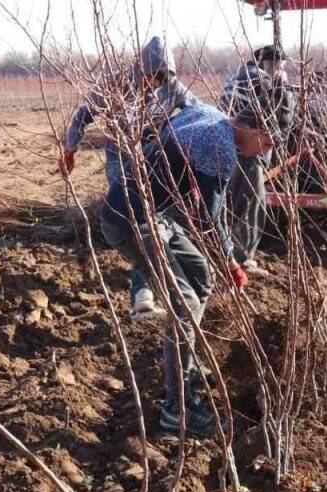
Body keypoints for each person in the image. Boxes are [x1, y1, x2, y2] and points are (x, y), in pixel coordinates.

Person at [99, 101, 277, 436]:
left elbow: (169, 140)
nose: (264, 154)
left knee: (200, 277)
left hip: (157, 215)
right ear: (252, 129)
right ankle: (176, 409)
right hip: (132, 222)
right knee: (187, 304)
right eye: (266, 144)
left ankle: (188, 364)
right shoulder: (221, 147)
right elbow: (212, 220)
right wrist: (231, 262)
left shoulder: (209, 115)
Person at [59, 36, 199, 322]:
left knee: (151, 223)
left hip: (152, 160)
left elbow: (196, 110)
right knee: (137, 222)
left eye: (162, 76)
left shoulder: (171, 87)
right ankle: (144, 297)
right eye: (152, 75)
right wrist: (70, 147)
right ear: (141, 68)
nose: (155, 82)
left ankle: (153, 293)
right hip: (119, 158)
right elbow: (84, 114)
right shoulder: (115, 84)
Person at [219, 44, 296, 275]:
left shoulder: (234, 80)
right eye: (279, 66)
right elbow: (271, 121)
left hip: (224, 146)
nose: (280, 70)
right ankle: (243, 259)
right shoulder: (265, 82)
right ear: (269, 63)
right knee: (252, 203)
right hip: (246, 151)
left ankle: (223, 253)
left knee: (230, 203)